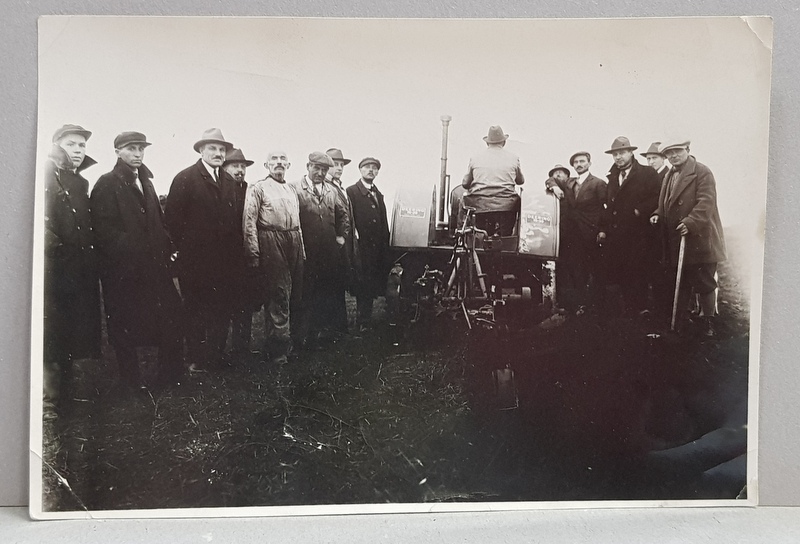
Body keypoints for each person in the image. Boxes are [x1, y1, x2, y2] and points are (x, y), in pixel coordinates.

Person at [91, 131, 184, 390]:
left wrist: (168, 245)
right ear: (118, 151)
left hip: (156, 267)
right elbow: (104, 230)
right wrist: (135, 252)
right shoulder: (107, 183)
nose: (138, 154)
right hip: (125, 271)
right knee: (125, 326)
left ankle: (169, 377)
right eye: (131, 149)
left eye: (141, 149)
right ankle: (130, 382)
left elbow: (159, 221)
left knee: (171, 316)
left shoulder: (147, 182)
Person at [164, 128, 242, 372]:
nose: (218, 154)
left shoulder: (229, 181)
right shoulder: (185, 178)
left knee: (222, 309)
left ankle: (216, 356)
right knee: (196, 309)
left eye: (221, 150)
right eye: (213, 149)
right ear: (201, 150)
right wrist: (186, 250)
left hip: (225, 261)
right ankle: (197, 359)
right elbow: (173, 221)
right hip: (196, 261)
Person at [43, 124, 101, 415]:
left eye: (82, 146)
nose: (79, 150)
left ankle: (68, 394)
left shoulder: (79, 183)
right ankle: (50, 401)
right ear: (57, 144)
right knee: (53, 329)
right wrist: (56, 250)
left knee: (74, 329)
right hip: (53, 267)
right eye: (72, 144)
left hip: (80, 269)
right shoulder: (44, 173)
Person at [650, 140, 726, 336]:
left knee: (704, 281)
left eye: (678, 151)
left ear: (688, 150)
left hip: (700, 237)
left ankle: (707, 322)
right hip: (676, 238)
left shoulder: (702, 171)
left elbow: (706, 202)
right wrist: (658, 212)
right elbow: (666, 201)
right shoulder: (669, 175)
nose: (674, 155)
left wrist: (691, 222)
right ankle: (682, 321)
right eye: (669, 153)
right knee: (680, 280)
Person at [243, 150, 304, 365]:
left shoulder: (291, 189)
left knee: (294, 294)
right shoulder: (258, 188)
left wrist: (301, 250)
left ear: (288, 164)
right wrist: (253, 253)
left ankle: (290, 343)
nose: (278, 163)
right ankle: (277, 350)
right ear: (266, 165)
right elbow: (249, 222)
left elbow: (298, 223)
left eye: (282, 160)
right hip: (270, 240)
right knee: (278, 293)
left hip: (293, 241)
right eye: (274, 160)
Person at [598, 136, 661, 315]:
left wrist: (638, 211)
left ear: (631, 152)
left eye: (622, 153)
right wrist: (603, 228)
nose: (618, 157)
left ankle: (640, 309)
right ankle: (624, 314)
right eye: (615, 154)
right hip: (616, 233)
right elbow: (608, 206)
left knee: (637, 271)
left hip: (638, 233)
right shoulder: (612, 176)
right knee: (619, 272)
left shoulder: (647, 173)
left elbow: (657, 197)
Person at [545, 152, 607, 312]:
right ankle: (580, 305)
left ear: (589, 163)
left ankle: (597, 306)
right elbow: (551, 178)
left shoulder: (598, 183)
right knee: (577, 269)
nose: (579, 164)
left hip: (592, 232)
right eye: (576, 162)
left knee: (594, 269)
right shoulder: (570, 183)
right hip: (573, 234)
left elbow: (604, 209)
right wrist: (554, 187)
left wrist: (602, 230)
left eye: (582, 161)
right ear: (573, 166)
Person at [222, 148, 258, 359]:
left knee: (245, 305)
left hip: (246, 256)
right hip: (224, 257)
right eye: (235, 166)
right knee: (223, 306)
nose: (240, 170)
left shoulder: (250, 191)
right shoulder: (219, 191)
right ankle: (217, 350)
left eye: (243, 167)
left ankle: (241, 349)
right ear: (225, 168)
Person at [346, 157, 390, 329]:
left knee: (371, 283)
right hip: (361, 247)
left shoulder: (378, 194)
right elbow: (349, 219)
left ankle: (366, 319)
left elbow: (383, 221)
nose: (371, 170)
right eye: (367, 167)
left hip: (376, 248)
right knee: (361, 284)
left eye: (374, 168)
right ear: (360, 170)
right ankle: (361, 321)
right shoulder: (352, 192)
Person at [461, 125, 525, 236]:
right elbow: (520, 181)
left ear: (487, 143)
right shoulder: (514, 158)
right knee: (505, 239)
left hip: (480, 206)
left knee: (479, 236)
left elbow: (465, 184)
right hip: (507, 207)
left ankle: (460, 238)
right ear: (503, 142)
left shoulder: (475, 158)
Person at [325, 147, 357, 334]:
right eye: (334, 164)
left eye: (340, 165)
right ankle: (332, 328)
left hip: (344, 242)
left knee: (339, 284)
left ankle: (339, 326)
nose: (338, 168)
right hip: (333, 243)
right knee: (331, 285)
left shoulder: (340, 187)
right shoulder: (328, 187)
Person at [641, 141, 673, 315]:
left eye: (654, 158)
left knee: (664, 268)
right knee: (651, 267)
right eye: (648, 158)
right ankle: (654, 305)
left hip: (665, 228)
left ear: (663, 159)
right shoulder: (647, 176)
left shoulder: (668, 175)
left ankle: (666, 307)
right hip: (650, 229)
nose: (651, 162)